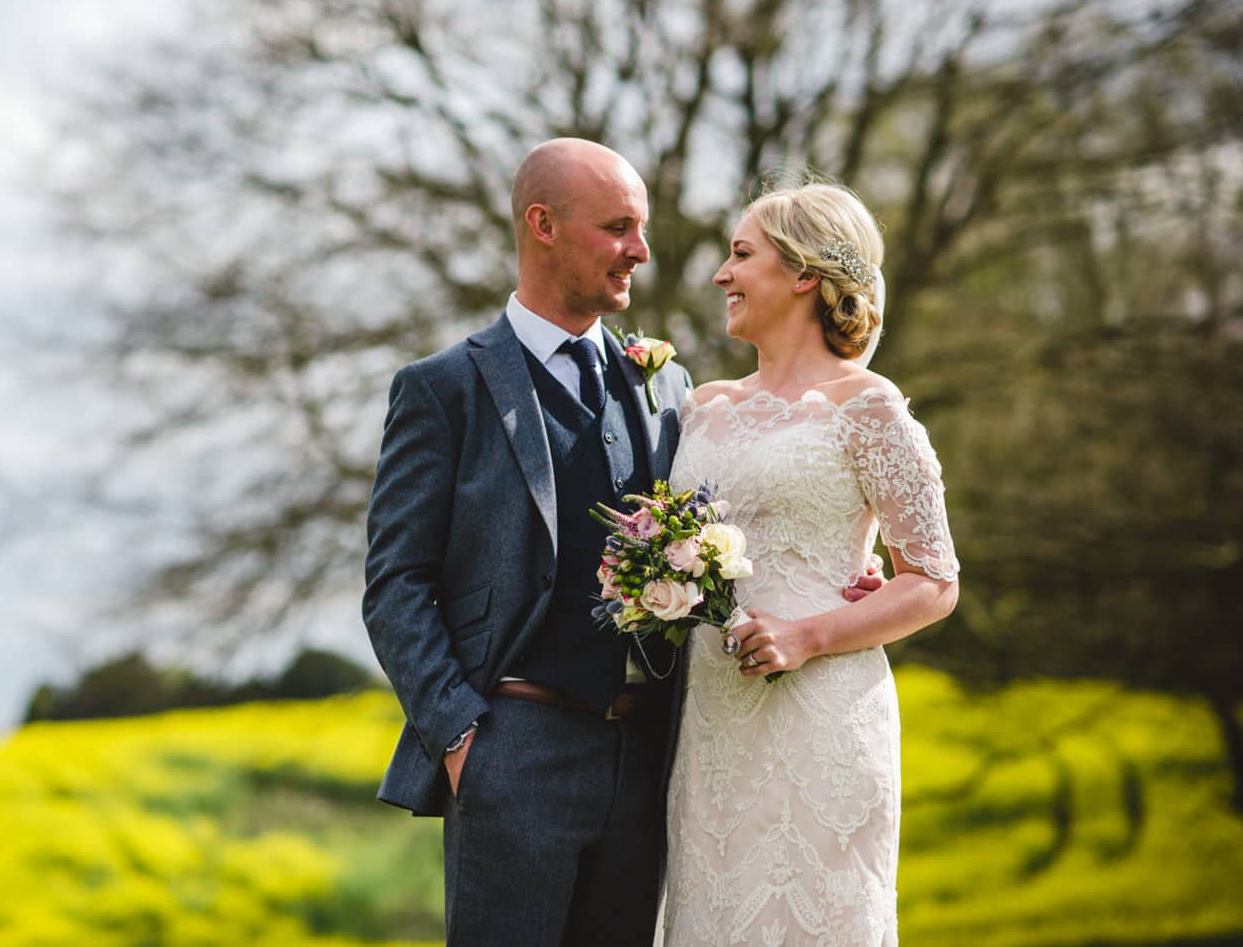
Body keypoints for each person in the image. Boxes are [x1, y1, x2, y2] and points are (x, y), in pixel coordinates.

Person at [362, 141, 881, 947]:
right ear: (543, 225)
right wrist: (463, 738)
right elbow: (395, 584)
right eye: (618, 227)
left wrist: (849, 561)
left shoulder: (667, 385)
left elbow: (736, 521)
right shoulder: (443, 388)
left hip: (653, 755)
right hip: (513, 749)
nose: (642, 250)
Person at [659, 182, 960, 946]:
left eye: (740, 254)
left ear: (802, 274)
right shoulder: (702, 406)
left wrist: (810, 634)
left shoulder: (868, 406)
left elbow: (934, 581)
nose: (722, 275)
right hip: (710, 715)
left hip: (818, 707)